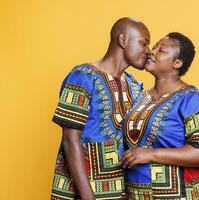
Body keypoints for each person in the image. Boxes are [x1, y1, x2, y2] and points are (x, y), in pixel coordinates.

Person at [50, 17, 150, 200]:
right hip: (84, 191)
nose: (148, 51)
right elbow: (70, 140)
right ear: (123, 40)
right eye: (144, 44)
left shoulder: (134, 85)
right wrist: (88, 196)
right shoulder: (82, 76)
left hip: (122, 190)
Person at [122, 32, 199, 200]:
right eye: (153, 47)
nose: (152, 52)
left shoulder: (194, 100)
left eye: (161, 50)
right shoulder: (139, 97)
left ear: (177, 63)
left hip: (177, 195)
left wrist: (151, 154)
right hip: (134, 194)